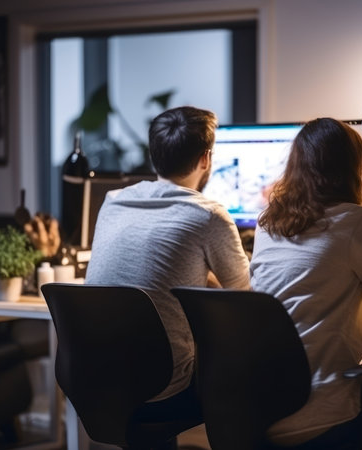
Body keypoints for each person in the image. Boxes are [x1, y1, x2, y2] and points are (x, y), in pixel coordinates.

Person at [249, 117, 362, 449]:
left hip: (254, 408)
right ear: (352, 168)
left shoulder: (267, 223)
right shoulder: (358, 222)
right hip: (314, 412)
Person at [85, 106, 250, 414]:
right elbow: (245, 299)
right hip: (164, 387)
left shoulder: (113, 201)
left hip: (94, 377)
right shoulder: (207, 214)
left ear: (153, 155)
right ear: (205, 159)